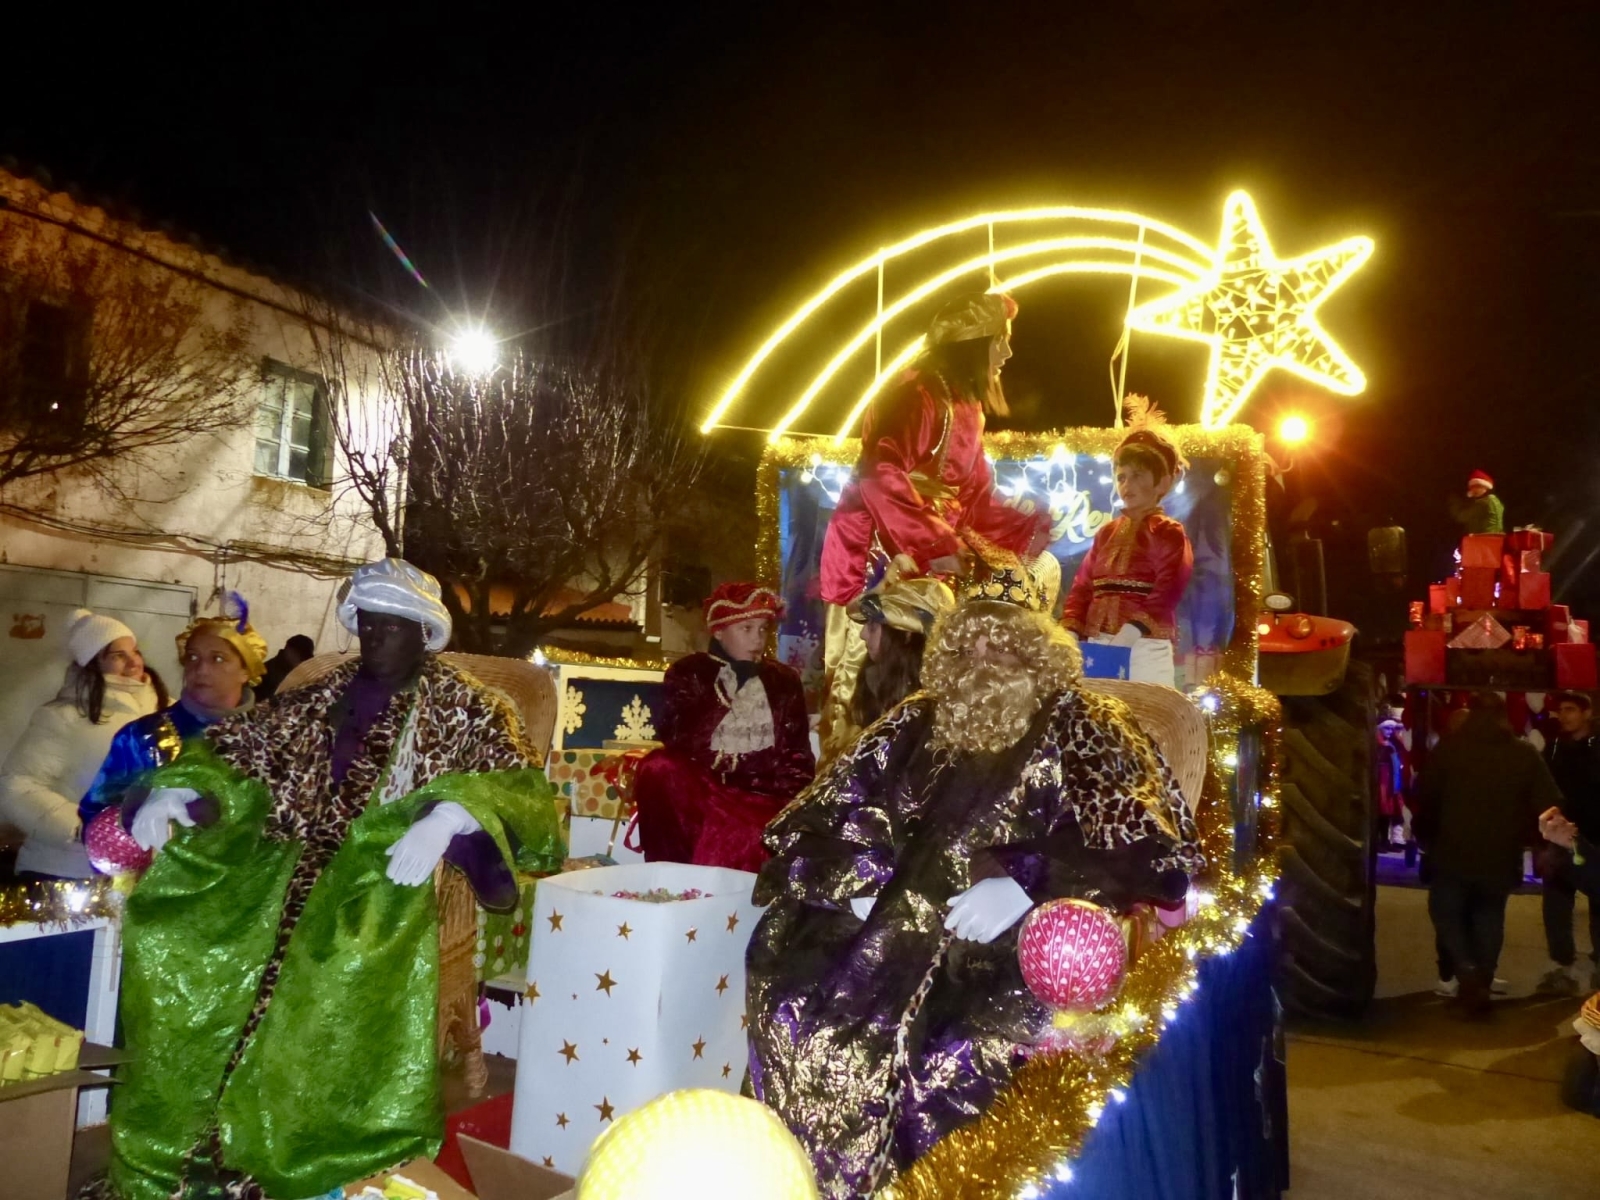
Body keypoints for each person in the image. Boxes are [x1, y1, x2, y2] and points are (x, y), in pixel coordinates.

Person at [93, 559, 564, 1200]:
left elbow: (519, 787)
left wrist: (450, 816)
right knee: (181, 932)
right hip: (274, 860)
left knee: (342, 967)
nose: (375, 640)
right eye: (367, 625)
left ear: (424, 633)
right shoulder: (320, 692)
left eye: (391, 628)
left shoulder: (469, 706)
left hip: (379, 872)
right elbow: (241, 749)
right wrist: (181, 792)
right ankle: (184, 1143)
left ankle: (310, 1141)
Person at [747, 598, 1203, 1197]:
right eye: (966, 648)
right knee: (794, 1003)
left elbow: (1146, 843)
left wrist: (1027, 881)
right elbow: (821, 816)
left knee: (950, 1055)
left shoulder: (1088, 721)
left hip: (1014, 941)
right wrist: (856, 881)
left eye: (1003, 646)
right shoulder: (914, 720)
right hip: (883, 921)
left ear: (1037, 655)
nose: (983, 661)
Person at [816, 292, 1050, 748]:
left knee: (922, 695)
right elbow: (878, 473)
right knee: (862, 695)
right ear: (972, 342)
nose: (1007, 352)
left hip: (924, 573)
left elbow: (976, 497)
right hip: (878, 565)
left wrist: (1024, 530)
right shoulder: (916, 392)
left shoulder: (967, 408)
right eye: (1000, 340)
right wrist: (936, 544)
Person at [631, 582, 814, 872]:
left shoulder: (783, 681)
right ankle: (666, 876)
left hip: (759, 801)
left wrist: (794, 813)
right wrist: (729, 693)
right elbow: (680, 740)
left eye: (763, 629)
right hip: (702, 795)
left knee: (740, 836)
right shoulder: (689, 673)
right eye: (747, 629)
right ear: (719, 632)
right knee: (657, 767)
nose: (758, 640)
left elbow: (796, 757)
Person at [1412, 692, 1561, 1014]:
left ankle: (1464, 968)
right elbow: (1548, 802)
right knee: (1490, 915)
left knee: (1446, 912)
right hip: (1501, 852)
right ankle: (1484, 976)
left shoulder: (1449, 750)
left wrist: (1425, 835)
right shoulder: (1523, 754)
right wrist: (1540, 844)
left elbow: (1426, 795)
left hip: (1452, 850)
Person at [0, 609, 164, 879]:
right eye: (117, 655)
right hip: (66, 870)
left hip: (142, 877)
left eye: (135, 651)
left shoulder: (166, 711)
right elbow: (16, 785)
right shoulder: (64, 716)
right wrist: (83, 829)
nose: (134, 662)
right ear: (92, 663)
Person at [80, 606, 268, 834]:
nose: (201, 669)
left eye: (218, 658)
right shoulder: (142, 736)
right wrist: (141, 817)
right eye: (192, 657)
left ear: (246, 671)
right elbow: (98, 821)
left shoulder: (273, 738)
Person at [1061, 398, 1194, 686]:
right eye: (1121, 477)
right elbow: (1082, 586)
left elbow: (1168, 588)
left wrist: (1130, 633)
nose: (1126, 485)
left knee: (1146, 720)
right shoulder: (1106, 533)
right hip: (1096, 644)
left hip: (1144, 645)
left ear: (1162, 483)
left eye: (1137, 476)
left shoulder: (1168, 531)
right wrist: (1071, 630)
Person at [819, 573, 955, 763]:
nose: (863, 635)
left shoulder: (938, 710)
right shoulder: (872, 685)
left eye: (873, 627)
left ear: (905, 635)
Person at [1536, 692, 1600, 995]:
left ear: (1587, 713)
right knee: (1557, 903)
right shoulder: (1555, 747)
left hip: (1595, 837)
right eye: (1560, 710)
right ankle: (1563, 965)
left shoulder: (1597, 746)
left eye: (1571, 710)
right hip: (1562, 837)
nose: (1564, 716)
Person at [254, 634, 315, 701]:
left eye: (304, 659)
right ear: (288, 650)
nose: (301, 661)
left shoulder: (293, 669)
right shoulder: (272, 673)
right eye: (299, 656)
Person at [1448, 469, 1504, 535]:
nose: (1473, 490)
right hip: (1494, 538)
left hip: (1485, 539)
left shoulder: (1484, 502)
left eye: (1477, 486)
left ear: (1485, 487)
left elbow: (1462, 517)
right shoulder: (1494, 500)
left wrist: (1454, 503)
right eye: (1472, 487)